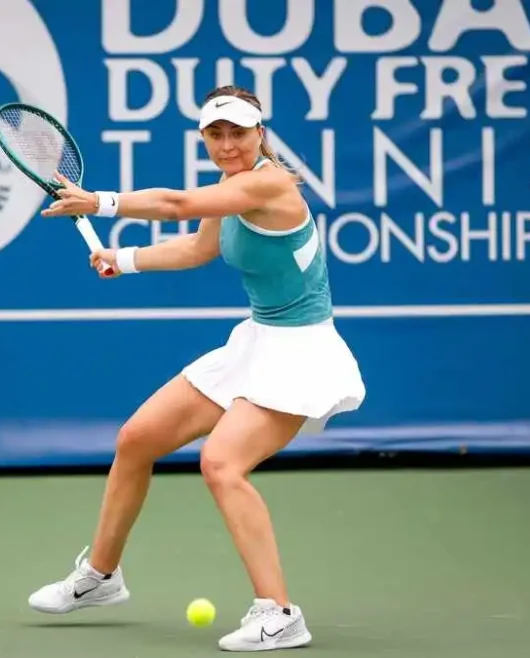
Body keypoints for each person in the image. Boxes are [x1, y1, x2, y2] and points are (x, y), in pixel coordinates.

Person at [27, 85, 366, 652]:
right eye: (216, 134)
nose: (228, 145)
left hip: (301, 352)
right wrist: (124, 260)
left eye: (239, 133)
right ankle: (101, 577)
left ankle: (280, 613)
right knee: (137, 439)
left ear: (260, 134)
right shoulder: (231, 188)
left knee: (222, 464)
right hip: (256, 341)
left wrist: (99, 202)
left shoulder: (269, 184)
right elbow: (196, 248)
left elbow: (177, 205)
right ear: (204, 137)